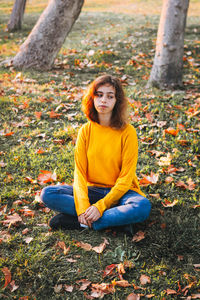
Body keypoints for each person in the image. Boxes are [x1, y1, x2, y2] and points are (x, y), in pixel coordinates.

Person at [40, 74, 151, 233]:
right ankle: (113, 222)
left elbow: (126, 178)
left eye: (110, 96)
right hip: (93, 191)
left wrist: (101, 206)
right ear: (92, 98)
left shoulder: (128, 132)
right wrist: (83, 206)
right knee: (48, 194)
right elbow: (80, 174)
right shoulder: (85, 131)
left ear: (116, 101)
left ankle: (82, 223)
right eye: (99, 95)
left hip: (122, 194)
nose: (103, 100)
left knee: (142, 207)